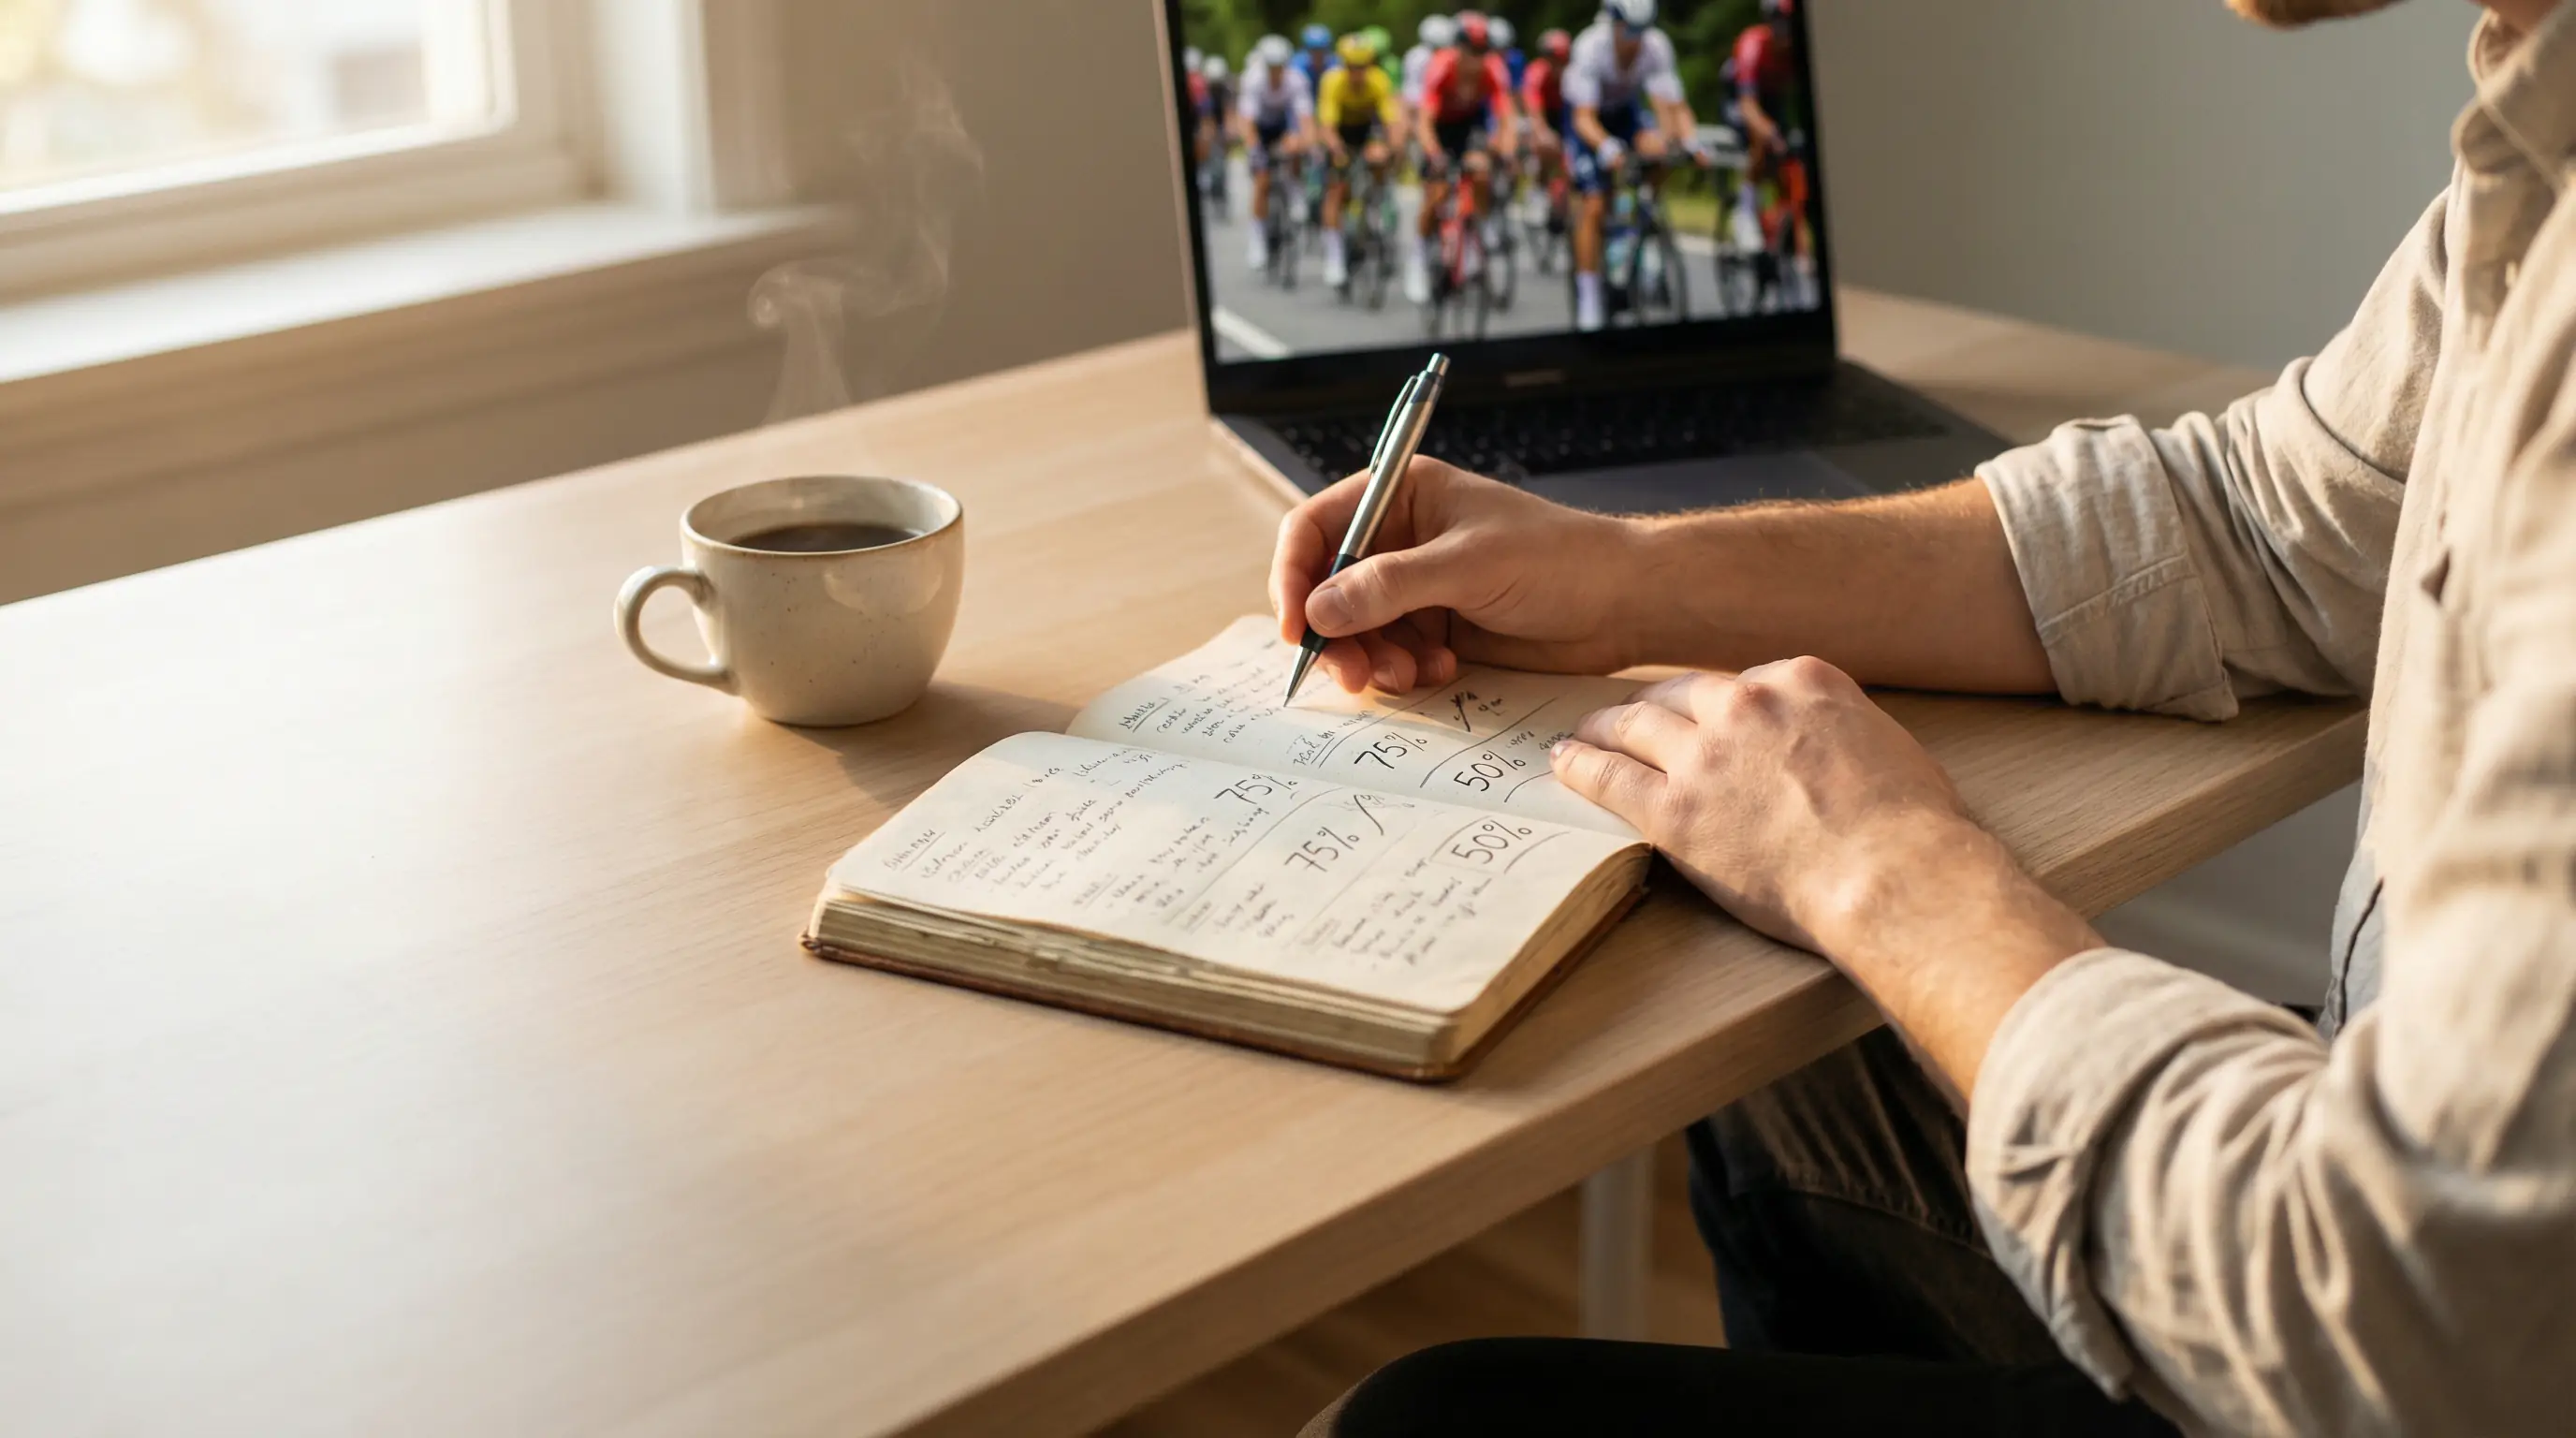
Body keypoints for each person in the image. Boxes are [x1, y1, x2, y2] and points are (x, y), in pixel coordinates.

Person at [1282, 0, 2576, 1432]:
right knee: (1795, 1065)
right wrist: (1623, 576)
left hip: (2394, 1340)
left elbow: (2409, 1323)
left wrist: (1883, 869)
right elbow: (2266, 524)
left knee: (1421, 1428)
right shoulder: (2543, 130)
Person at [1563, 0, 1704, 330]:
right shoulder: (1590, 47)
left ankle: (1641, 220)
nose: (1634, 39)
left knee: (1660, 151)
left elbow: (1672, 105)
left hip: (1625, 113)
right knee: (1595, 204)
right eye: (1628, 30)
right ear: (1613, 23)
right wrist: (1607, 147)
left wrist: (1688, 140)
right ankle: (1589, 300)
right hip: (1588, 120)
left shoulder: (1655, 47)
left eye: (1641, 30)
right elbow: (1583, 118)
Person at [1409, 10, 1518, 305]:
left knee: (1481, 172)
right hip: (1439, 128)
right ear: (1457, 48)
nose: (1477, 57)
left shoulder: (1493, 68)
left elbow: (1506, 115)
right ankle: (1419, 257)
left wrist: (1508, 150)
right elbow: (1424, 121)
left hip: (1470, 125)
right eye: (1471, 50)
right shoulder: (1440, 66)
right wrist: (1434, 154)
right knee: (1437, 192)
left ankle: (1476, 232)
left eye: (1483, 51)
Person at [1730, 0, 1813, 305]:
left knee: (1792, 169)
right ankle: (1745, 207)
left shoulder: (1797, 49)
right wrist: (1769, 132)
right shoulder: (1753, 44)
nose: (1783, 32)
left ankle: (1787, 236)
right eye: (1776, 23)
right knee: (1763, 139)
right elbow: (1748, 106)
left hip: (1774, 99)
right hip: (1742, 100)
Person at [1316, 31, 1403, 289]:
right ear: (1344, 65)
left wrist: (1394, 147)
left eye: (1363, 67)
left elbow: (1391, 121)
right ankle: (1334, 255)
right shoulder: (1332, 81)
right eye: (1352, 67)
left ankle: (1376, 207)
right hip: (1340, 133)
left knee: (1379, 159)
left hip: (1366, 130)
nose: (1358, 72)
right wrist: (1337, 150)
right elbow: (1327, 126)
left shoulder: (1379, 80)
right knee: (1336, 191)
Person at [1236, 35, 1313, 272]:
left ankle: (1296, 194)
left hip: (1283, 126)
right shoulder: (1253, 80)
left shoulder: (1297, 80)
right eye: (1271, 67)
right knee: (1262, 181)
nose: (1276, 72)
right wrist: (1253, 147)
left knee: (1295, 150)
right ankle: (1258, 239)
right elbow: (1246, 121)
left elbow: (1305, 119)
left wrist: (1304, 142)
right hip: (1260, 128)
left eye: (1280, 67)